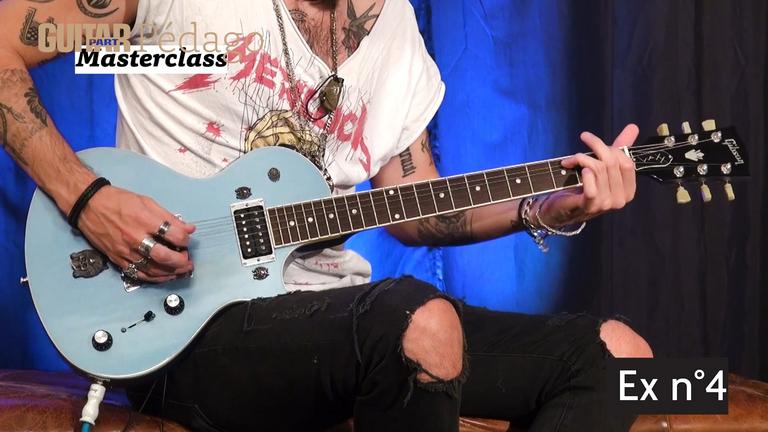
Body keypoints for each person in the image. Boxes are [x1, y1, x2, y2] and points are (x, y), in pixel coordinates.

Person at [0, 0, 653, 430]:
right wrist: (87, 198)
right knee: (417, 321)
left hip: (340, 320)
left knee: (618, 358)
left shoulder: (394, 29)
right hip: (183, 326)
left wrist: (545, 207)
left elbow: (417, 204)